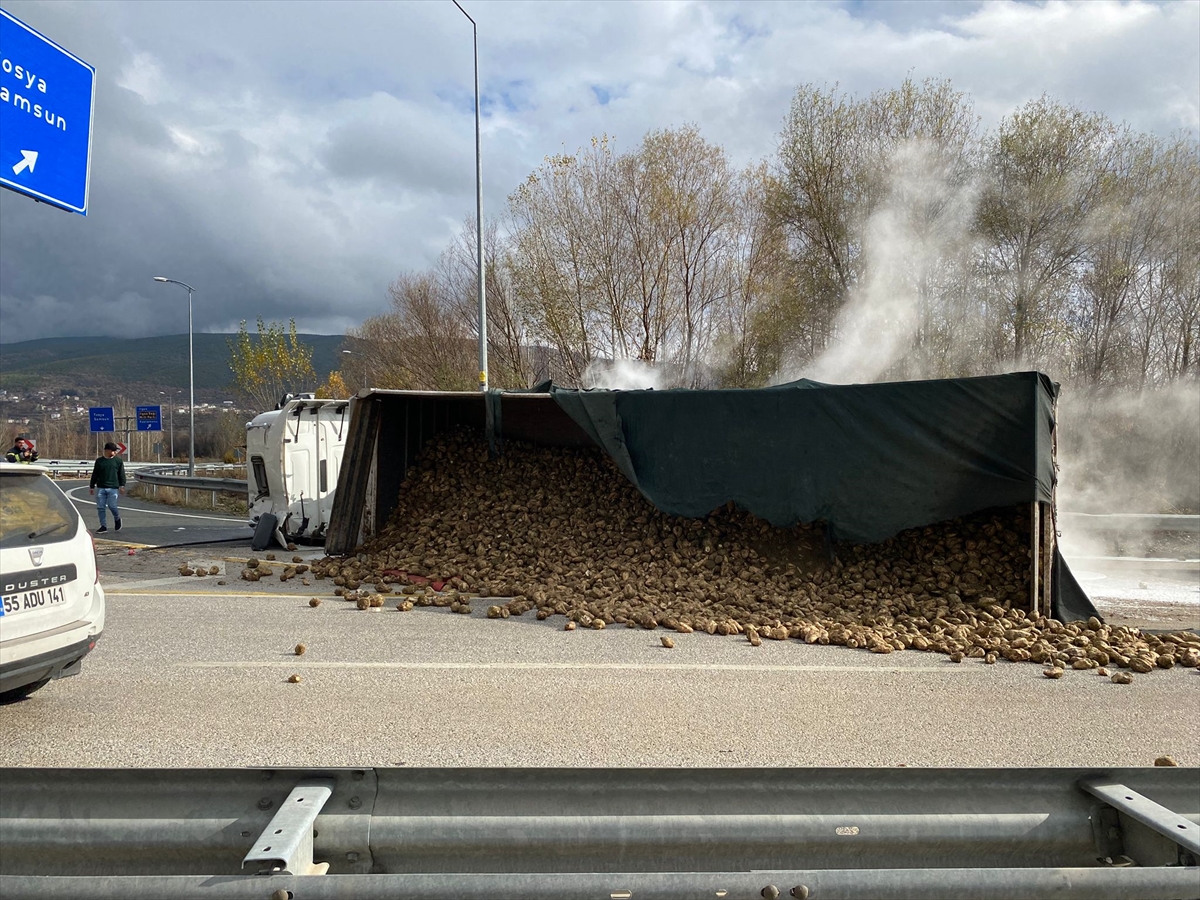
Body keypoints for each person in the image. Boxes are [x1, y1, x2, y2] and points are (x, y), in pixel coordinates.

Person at [90, 441, 126, 534]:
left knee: (112, 506)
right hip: (101, 487)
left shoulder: (118, 461)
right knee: (100, 507)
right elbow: (95, 474)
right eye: (113, 451)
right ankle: (103, 526)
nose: (114, 452)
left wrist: (122, 486)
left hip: (113, 488)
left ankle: (117, 518)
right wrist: (92, 486)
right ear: (107, 450)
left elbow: (121, 474)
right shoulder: (99, 461)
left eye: (115, 451)